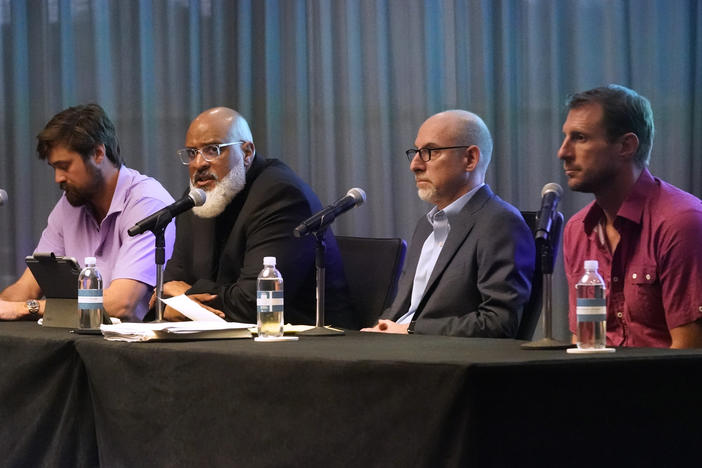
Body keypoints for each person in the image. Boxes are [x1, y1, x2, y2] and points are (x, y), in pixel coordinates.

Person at [160, 107, 356, 328]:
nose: (199, 163)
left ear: (247, 153)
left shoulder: (281, 195)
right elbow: (167, 288)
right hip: (227, 340)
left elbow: (257, 303)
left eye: (212, 150)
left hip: (304, 345)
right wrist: (177, 299)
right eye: (192, 153)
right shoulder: (198, 198)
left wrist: (187, 296)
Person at [362, 110, 535, 336]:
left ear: (470, 159)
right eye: (416, 152)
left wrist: (411, 330)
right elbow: (402, 311)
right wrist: (381, 328)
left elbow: (499, 322)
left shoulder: (501, 223)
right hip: (399, 350)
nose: (415, 165)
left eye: (430, 152)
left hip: (441, 360)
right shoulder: (425, 226)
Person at [0, 103, 176, 321]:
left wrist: (29, 308)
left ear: (98, 153)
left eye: (64, 166)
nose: (58, 178)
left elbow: (123, 304)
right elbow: (26, 289)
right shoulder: (69, 204)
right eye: (54, 168)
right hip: (82, 344)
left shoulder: (147, 202)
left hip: (135, 350)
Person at [559, 84, 702, 348]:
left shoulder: (682, 223)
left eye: (579, 138)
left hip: (665, 387)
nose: (563, 152)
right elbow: (583, 343)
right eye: (566, 137)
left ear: (626, 145)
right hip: (601, 385)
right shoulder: (577, 229)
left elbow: (689, 358)